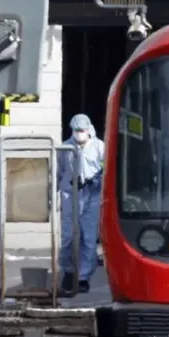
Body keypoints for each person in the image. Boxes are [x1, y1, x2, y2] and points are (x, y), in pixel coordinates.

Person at [57, 114, 104, 293]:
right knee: (68, 236)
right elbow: (58, 171)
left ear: (89, 130)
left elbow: (106, 168)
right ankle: (68, 272)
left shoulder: (99, 147)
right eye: (76, 131)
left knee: (89, 238)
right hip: (71, 195)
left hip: (92, 196)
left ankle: (84, 277)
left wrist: (95, 181)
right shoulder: (65, 148)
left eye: (82, 130)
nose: (79, 134)